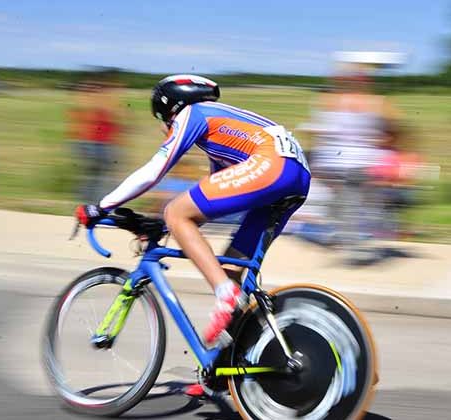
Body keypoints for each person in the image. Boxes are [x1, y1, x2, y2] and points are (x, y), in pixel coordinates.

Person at [74, 75, 311, 350]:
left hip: (274, 164)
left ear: (171, 109)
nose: (166, 129)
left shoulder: (192, 113)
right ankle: (226, 366)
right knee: (231, 267)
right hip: (296, 175)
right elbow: (211, 205)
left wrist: (101, 206)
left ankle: (226, 296)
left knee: (175, 212)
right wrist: (166, 227)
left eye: (164, 121)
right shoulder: (218, 131)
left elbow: (154, 172)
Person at [304, 59, 401, 265]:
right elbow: (394, 130)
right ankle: (352, 238)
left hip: (338, 162)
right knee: (349, 203)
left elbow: (320, 132)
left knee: (345, 203)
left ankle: (351, 241)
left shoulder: (330, 102)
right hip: (359, 161)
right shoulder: (377, 102)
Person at [68, 77, 123, 202]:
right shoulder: (93, 104)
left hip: (99, 144)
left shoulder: (93, 103)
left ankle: (91, 202)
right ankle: (96, 203)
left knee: (96, 175)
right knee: (99, 175)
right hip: (96, 144)